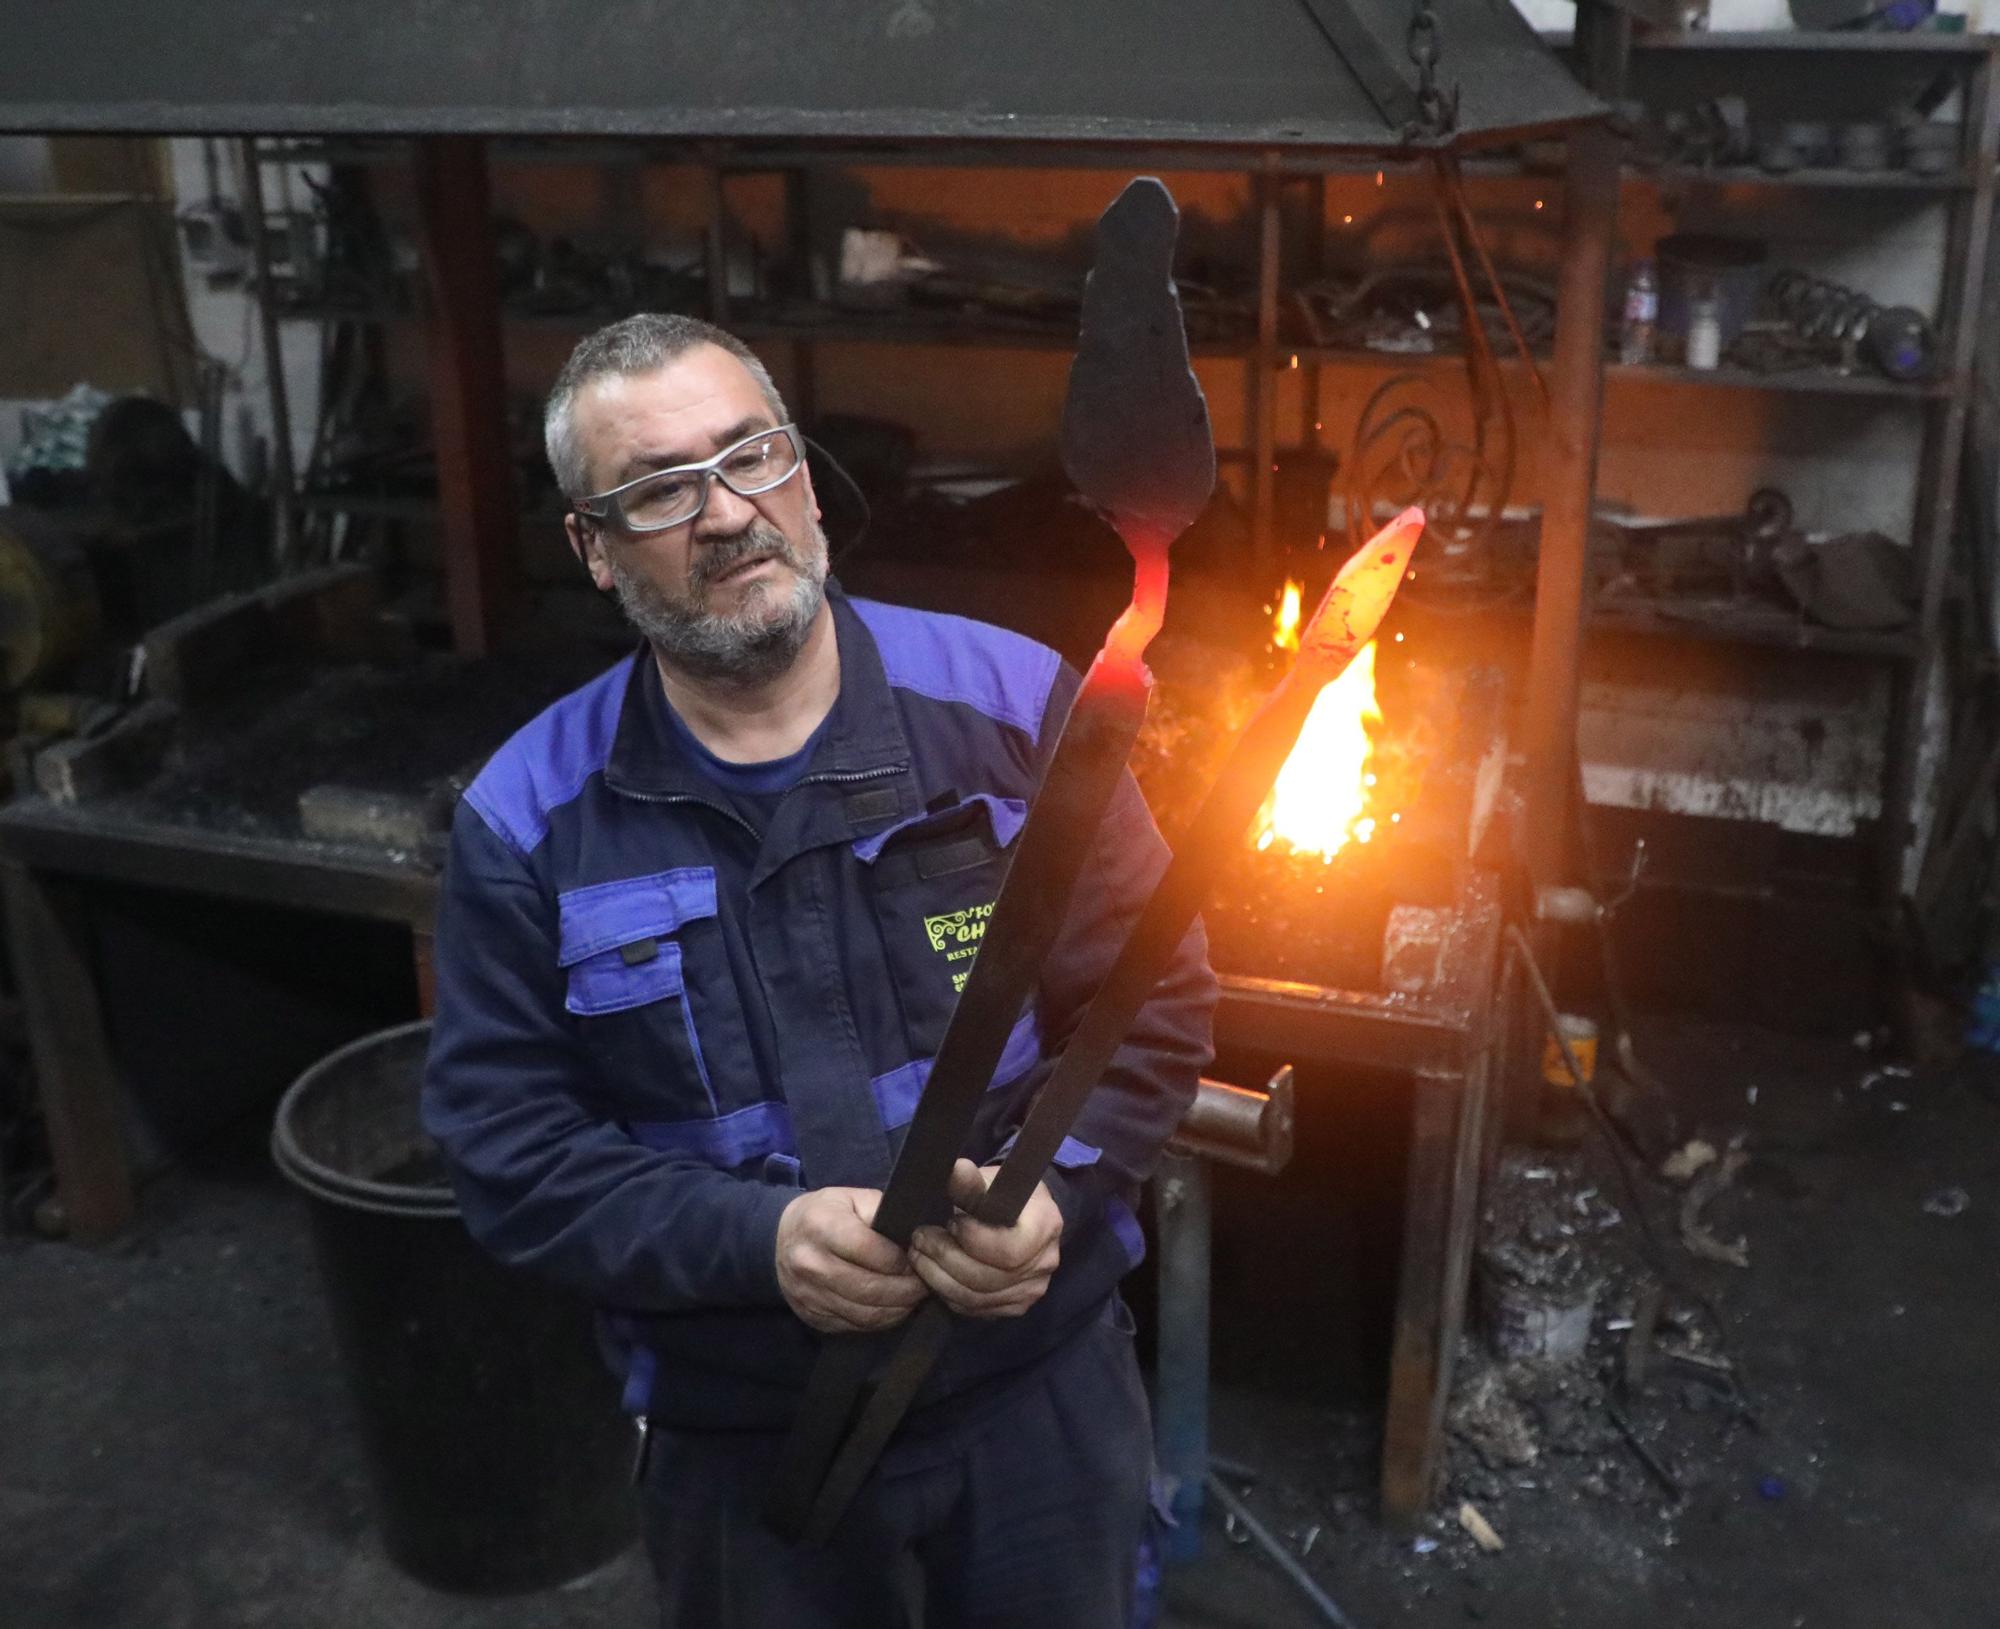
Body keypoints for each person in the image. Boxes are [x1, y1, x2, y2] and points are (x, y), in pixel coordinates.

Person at [421, 312, 1217, 1628]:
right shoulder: (529, 820)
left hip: (1039, 1413)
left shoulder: (1025, 712)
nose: (727, 513)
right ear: (595, 551)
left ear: (807, 479)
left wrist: (1059, 1201)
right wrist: (756, 1239)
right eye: (661, 488)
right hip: (748, 1447)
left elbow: (1153, 1005)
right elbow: (508, 1152)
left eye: (753, 455)